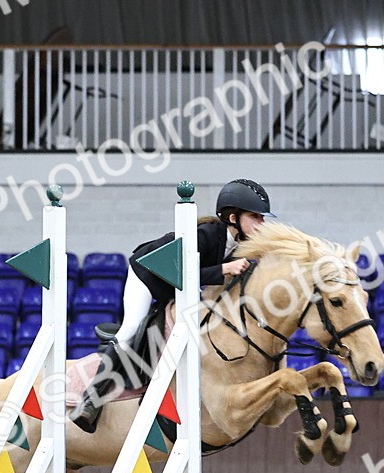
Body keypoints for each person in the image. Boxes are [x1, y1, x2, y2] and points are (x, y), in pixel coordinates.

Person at [70, 179, 273, 433]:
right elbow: (184, 271)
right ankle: (89, 402)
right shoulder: (208, 234)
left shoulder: (239, 247)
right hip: (148, 274)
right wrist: (225, 269)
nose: (261, 223)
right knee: (131, 329)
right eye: (255, 216)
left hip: (178, 288)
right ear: (233, 217)